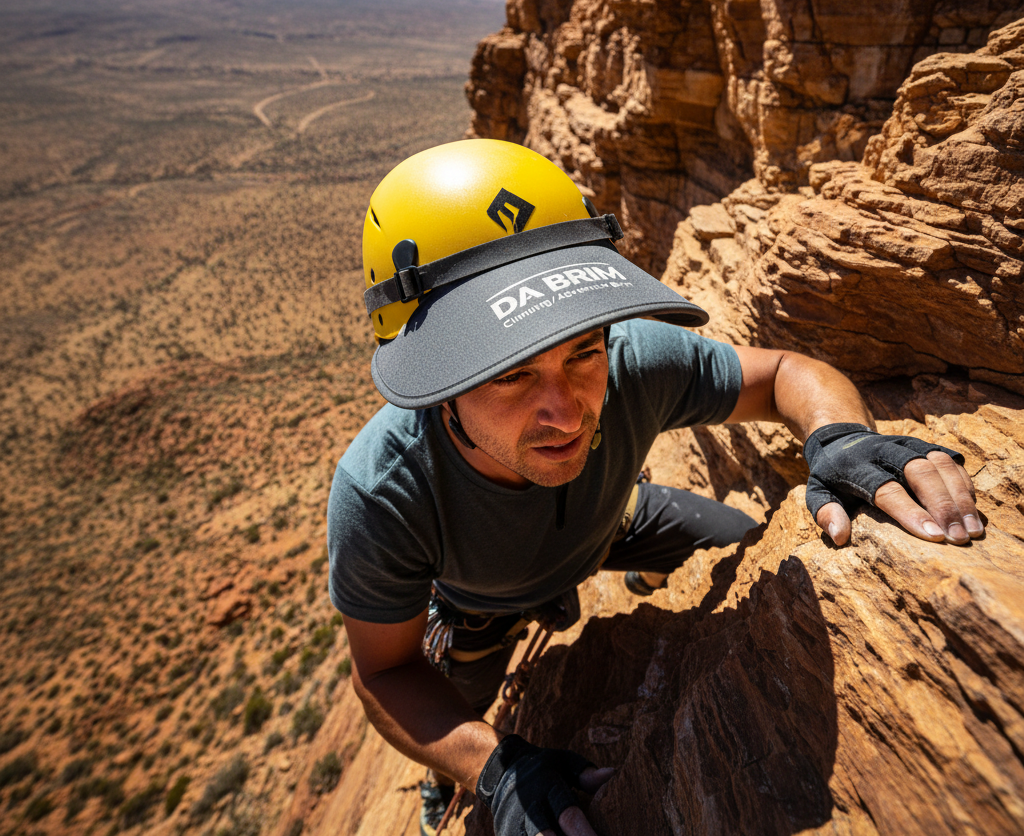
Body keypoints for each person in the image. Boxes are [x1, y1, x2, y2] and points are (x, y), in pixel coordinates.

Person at [327, 139, 981, 836]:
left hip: (611, 523)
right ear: (440, 384)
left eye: (582, 350)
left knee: (738, 547)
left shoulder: (634, 361)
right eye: (511, 373)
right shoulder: (383, 492)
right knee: (459, 710)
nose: (568, 409)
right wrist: (492, 766)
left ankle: (640, 581)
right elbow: (387, 672)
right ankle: (440, 788)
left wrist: (841, 436)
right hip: (477, 607)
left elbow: (787, 372)